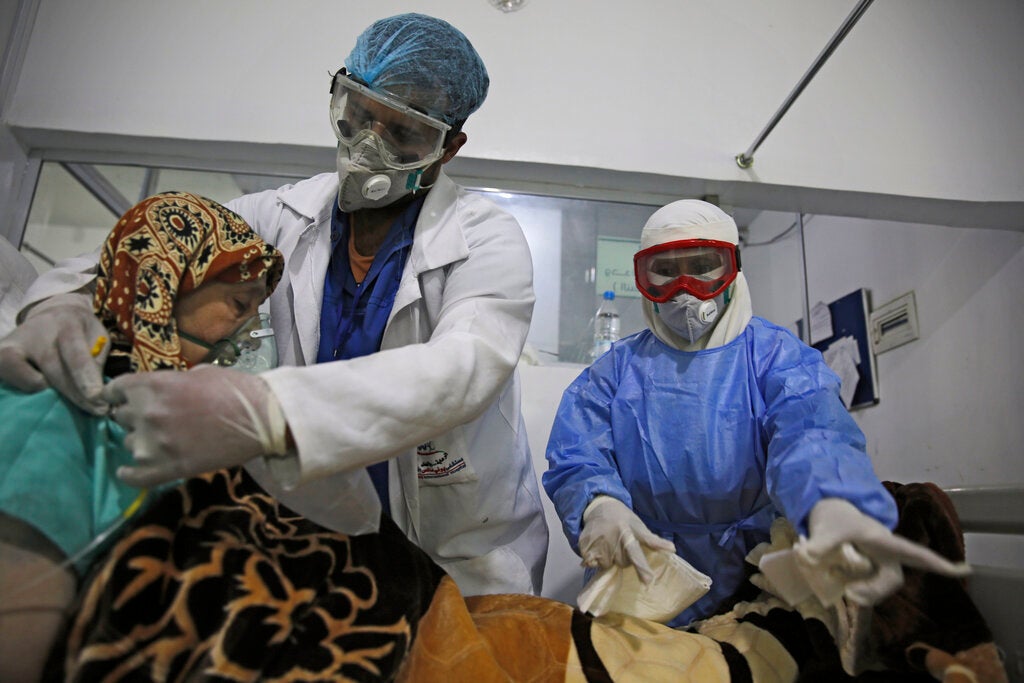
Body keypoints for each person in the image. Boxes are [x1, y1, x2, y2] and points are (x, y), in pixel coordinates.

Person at [0, 13, 547, 597]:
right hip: (322, 528)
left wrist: (266, 408)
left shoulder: (485, 238)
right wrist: (67, 302)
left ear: (449, 146)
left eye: (405, 132)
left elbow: (468, 364)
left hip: (464, 547)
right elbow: (158, 239)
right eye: (361, 115)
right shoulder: (279, 216)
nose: (370, 145)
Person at [542, 199, 966, 629]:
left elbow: (812, 433)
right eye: (665, 272)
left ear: (733, 270)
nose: (684, 289)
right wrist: (598, 506)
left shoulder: (776, 357)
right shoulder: (614, 370)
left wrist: (830, 502)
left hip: (753, 577)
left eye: (703, 267)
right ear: (643, 279)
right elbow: (578, 457)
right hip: (642, 570)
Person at [0, 190, 284, 682]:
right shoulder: (56, 407)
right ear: (163, 281)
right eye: (240, 303)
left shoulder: (148, 414)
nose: (251, 328)